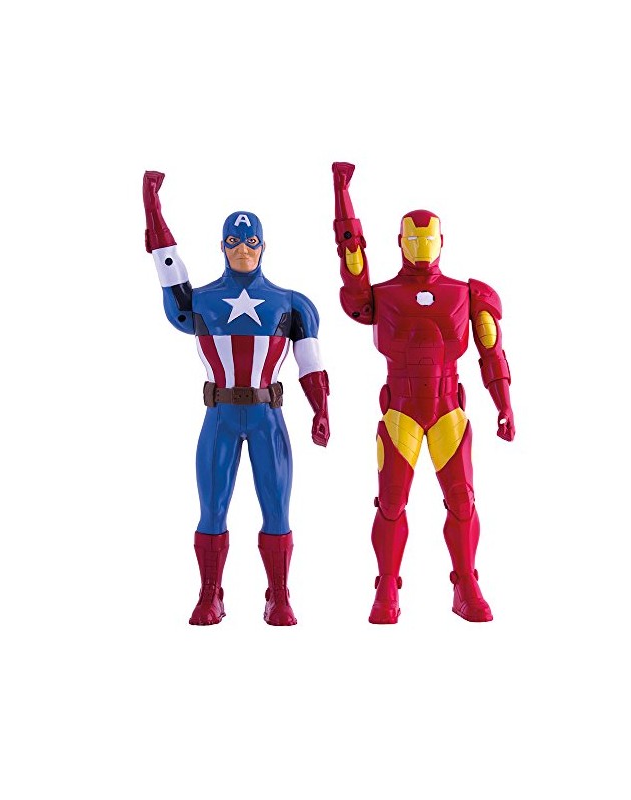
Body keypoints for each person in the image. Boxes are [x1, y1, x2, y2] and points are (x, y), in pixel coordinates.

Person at [331, 162, 515, 624]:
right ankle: (387, 586)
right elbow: (354, 274)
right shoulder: (384, 295)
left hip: (447, 409)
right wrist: (342, 198)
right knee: (391, 503)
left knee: (462, 500)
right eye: (413, 239)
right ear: (400, 242)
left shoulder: (466, 293)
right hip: (402, 412)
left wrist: (505, 405)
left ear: (441, 240)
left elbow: (492, 351)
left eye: (427, 238)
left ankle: (466, 583)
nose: (421, 245)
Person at [143, 171, 329, 626]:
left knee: (277, 507)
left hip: (268, 417)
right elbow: (169, 272)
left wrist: (322, 410)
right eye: (233, 241)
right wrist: (152, 206)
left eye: (251, 242)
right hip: (221, 415)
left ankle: (279, 594)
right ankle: (210, 593)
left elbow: (311, 364)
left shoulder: (292, 303)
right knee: (212, 508)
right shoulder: (201, 302)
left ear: (263, 246)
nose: (243, 249)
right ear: (221, 247)